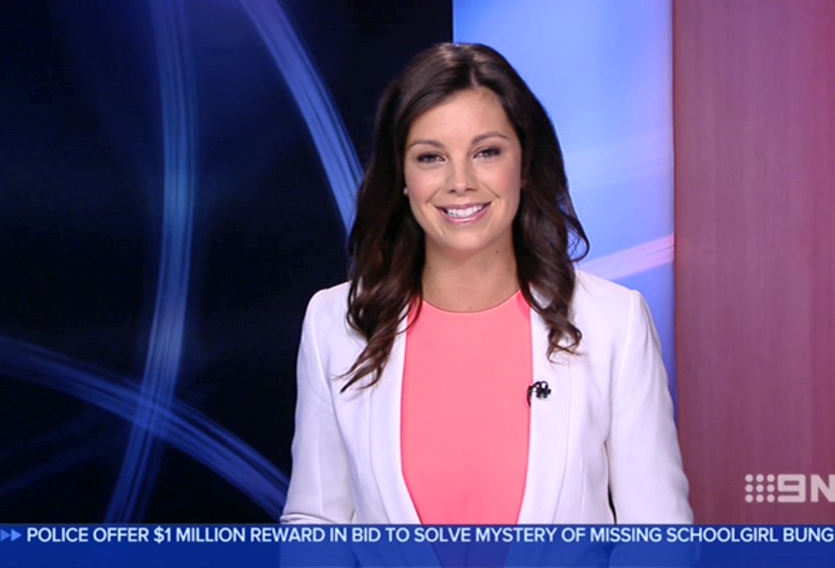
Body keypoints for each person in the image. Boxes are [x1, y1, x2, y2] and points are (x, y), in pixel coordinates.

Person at [281, 43, 692, 525]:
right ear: (402, 177)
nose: (460, 182)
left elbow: (658, 533)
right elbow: (316, 524)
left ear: (524, 164)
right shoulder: (336, 323)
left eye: (486, 152)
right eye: (431, 157)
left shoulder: (613, 322)